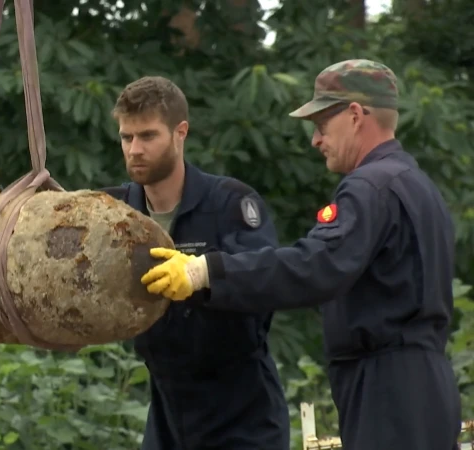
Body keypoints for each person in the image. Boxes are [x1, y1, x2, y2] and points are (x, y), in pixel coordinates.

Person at [0, 76, 290, 449]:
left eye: (148, 136)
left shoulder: (230, 203)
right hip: (169, 416)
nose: (135, 149)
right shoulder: (113, 214)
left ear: (181, 133)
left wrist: (202, 274)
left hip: (243, 417)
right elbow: (42, 247)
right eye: (127, 138)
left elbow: (268, 279)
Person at [139, 59, 463, 449]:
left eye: (321, 125)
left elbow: (316, 265)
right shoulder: (416, 185)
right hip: (426, 384)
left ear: (356, 115)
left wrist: (205, 271)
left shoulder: (369, 188)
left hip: (387, 389)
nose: (315, 140)